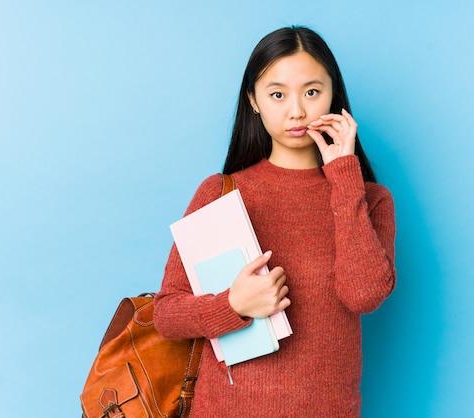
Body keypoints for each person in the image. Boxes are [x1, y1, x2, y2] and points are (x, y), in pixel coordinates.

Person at [154, 26, 396, 417]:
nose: (296, 110)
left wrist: (345, 176)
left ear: (334, 94)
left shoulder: (369, 199)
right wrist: (233, 305)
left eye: (312, 92)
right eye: (278, 94)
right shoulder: (220, 193)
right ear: (254, 100)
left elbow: (364, 295)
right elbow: (166, 314)